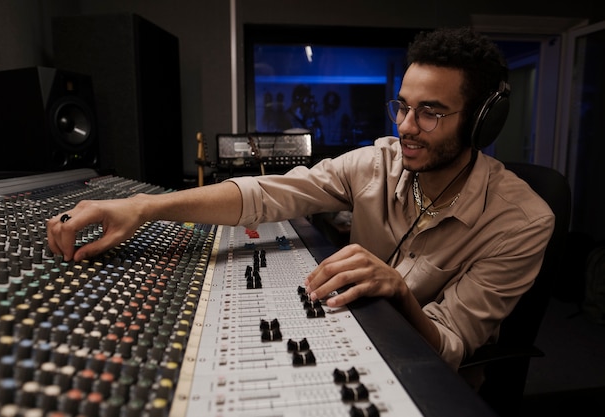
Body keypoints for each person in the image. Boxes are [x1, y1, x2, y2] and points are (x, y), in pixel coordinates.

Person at [47, 27, 554, 387]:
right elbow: (267, 193)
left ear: (482, 123)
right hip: (347, 331)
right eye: (402, 105)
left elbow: (449, 348)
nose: (406, 126)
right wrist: (142, 207)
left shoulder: (523, 222)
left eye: (431, 113)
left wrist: (399, 291)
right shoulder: (376, 161)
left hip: (427, 378)